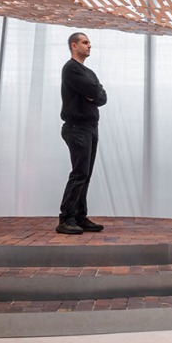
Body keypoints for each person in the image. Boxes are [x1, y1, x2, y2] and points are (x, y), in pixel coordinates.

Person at [58, 31, 108, 235]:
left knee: (85, 175)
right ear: (73, 45)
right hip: (76, 127)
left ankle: (79, 216)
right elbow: (96, 92)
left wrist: (94, 93)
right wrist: (94, 92)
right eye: (85, 42)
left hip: (90, 127)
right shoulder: (71, 69)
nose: (90, 46)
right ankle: (66, 219)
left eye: (90, 43)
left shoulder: (88, 72)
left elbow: (102, 97)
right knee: (79, 173)